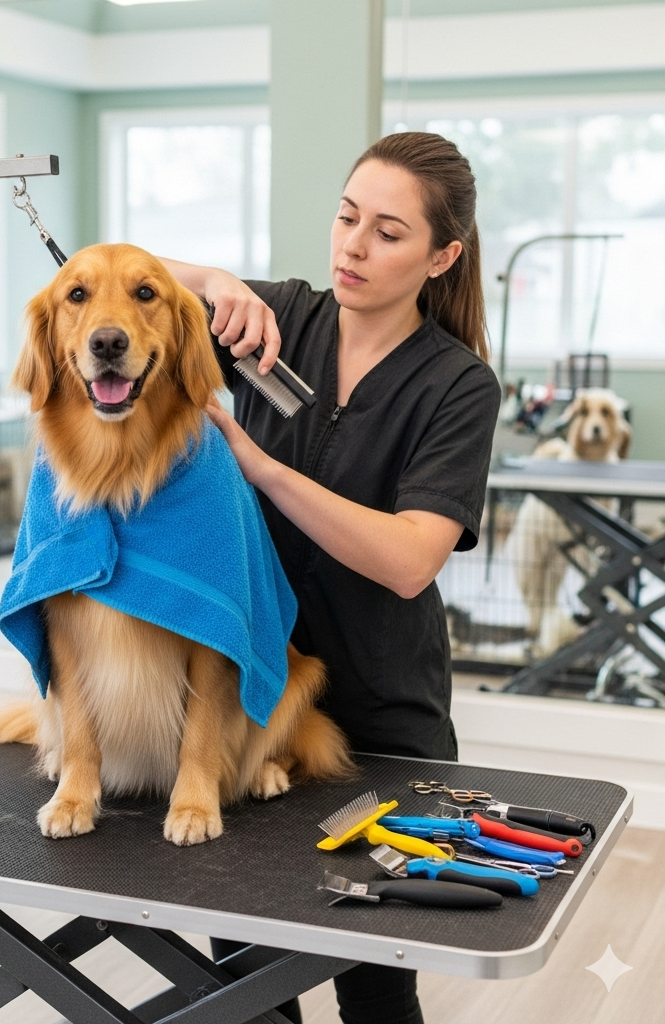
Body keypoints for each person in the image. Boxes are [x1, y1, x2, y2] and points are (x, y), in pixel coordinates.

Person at [161, 132, 502, 1024]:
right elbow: (102, 269)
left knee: (373, 974)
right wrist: (212, 281)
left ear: (443, 255)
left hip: (381, 715)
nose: (353, 245)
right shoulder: (277, 318)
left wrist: (262, 468)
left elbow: (409, 558)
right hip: (248, 697)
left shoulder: (458, 386)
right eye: (347, 217)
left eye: (388, 232)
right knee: (238, 972)